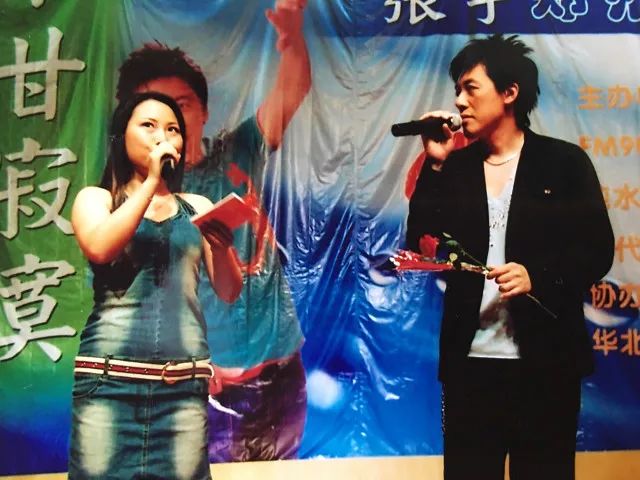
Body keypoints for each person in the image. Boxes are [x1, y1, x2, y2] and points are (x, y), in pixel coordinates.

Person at [405, 35, 614, 480]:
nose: (459, 101)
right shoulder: (455, 169)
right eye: (457, 91)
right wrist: (435, 165)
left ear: (510, 92)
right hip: (470, 368)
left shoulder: (564, 163)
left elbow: (598, 250)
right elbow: (421, 243)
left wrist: (539, 276)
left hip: (546, 367)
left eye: (470, 88)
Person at [114, 0, 311, 462]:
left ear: (203, 111)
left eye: (181, 106)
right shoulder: (131, 203)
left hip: (282, 366)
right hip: (208, 385)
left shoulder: (239, 150)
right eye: (152, 114)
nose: (170, 125)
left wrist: (292, 38)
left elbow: (293, 86)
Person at [68, 92, 242, 479]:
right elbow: (100, 246)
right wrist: (150, 181)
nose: (162, 136)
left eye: (172, 129)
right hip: (109, 384)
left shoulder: (197, 206)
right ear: (121, 136)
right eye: (148, 125)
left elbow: (230, 291)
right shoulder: (97, 199)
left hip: (182, 389)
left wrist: (221, 247)